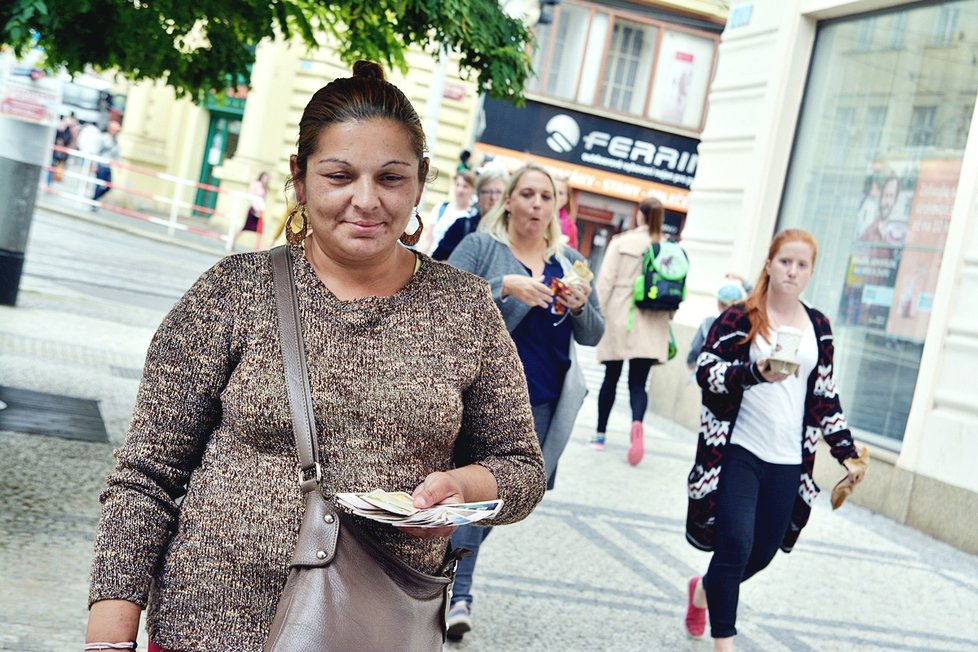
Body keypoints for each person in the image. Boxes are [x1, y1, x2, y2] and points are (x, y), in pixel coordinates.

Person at [85, 61, 547, 652]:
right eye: (339, 176)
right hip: (206, 628)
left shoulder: (464, 309)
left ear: (420, 181)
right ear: (300, 180)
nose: (366, 200)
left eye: (390, 178)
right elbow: (146, 476)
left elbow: (520, 466)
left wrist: (465, 485)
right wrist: (109, 638)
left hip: (375, 626)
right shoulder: (230, 292)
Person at [684, 228, 866, 651]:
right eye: (785, 261)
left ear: (811, 273)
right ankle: (724, 643)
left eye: (802, 265)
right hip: (739, 450)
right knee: (735, 542)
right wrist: (753, 372)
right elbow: (706, 372)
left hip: (789, 459)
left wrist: (847, 454)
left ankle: (704, 590)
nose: (792, 270)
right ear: (769, 264)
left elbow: (824, 395)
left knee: (762, 552)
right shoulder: (740, 316)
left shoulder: (818, 325)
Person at [444, 163, 605, 641]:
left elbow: (594, 334)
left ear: (557, 206)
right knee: (479, 492)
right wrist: (504, 289)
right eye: (528, 194)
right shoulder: (481, 245)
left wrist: (579, 305)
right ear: (508, 200)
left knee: (503, 498)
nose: (537, 204)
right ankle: (459, 593)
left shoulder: (569, 259)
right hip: (484, 397)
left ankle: (444, 573)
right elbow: (443, 307)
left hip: (543, 401)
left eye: (546, 197)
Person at [589, 196, 676, 465]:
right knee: (639, 383)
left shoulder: (622, 242)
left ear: (639, 215)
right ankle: (637, 427)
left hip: (620, 315)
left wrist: (597, 315)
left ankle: (600, 435)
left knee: (611, 378)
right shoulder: (669, 247)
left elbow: (605, 283)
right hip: (653, 319)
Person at [431, 168, 508, 261]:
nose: (493, 197)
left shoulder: (512, 232)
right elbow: (436, 261)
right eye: (487, 192)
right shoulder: (462, 225)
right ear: (478, 196)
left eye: (498, 192)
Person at [686, 282, 750, 370]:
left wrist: (692, 363)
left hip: (710, 372)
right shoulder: (744, 326)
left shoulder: (708, 323)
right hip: (735, 375)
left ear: (719, 303)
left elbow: (695, 350)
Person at [418, 169, 476, 254]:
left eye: (465, 186)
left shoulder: (473, 215)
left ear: (473, 189)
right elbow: (428, 239)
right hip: (433, 259)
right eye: (458, 185)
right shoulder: (441, 208)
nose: (460, 190)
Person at [232, 171, 270, 249]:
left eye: (267, 178)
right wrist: (256, 209)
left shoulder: (265, 188)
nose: (265, 179)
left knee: (260, 230)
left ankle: (258, 249)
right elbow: (252, 196)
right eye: (264, 177)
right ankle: (232, 241)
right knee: (244, 227)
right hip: (253, 210)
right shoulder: (256, 184)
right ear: (261, 177)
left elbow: (263, 200)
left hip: (260, 211)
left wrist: (262, 209)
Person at [92, 120, 122, 208]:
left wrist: (119, 166)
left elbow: (117, 155)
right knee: (99, 185)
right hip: (100, 165)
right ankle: (93, 202)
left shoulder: (115, 141)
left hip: (108, 166)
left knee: (109, 186)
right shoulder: (103, 138)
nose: (117, 132)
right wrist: (94, 165)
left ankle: (93, 199)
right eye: (116, 130)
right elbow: (96, 151)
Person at [554, 175, 579, 250]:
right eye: (553, 191)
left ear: (566, 199)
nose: (556, 196)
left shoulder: (570, 228)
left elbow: (572, 257)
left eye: (560, 193)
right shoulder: (533, 217)